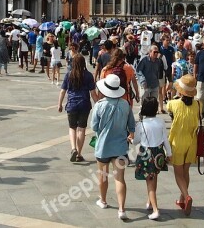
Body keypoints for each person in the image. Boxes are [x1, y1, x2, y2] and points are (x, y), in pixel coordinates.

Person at [91, 74, 136, 221]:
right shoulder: (125, 104)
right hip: (121, 147)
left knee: (103, 176)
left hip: (103, 146)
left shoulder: (99, 105)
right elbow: (131, 126)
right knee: (120, 178)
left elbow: (94, 126)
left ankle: (103, 200)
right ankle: (122, 209)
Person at [132, 96, 171, 221]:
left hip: (146, 154)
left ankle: (155, 209)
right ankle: (149, 202)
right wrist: (169, 153)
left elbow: (136, 141)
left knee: (149, 182)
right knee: (154, 178)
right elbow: (165, 139)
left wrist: (131, 139)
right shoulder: (160, 122)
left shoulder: (141, 124)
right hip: (158, 153)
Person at [167, 74, 200, 217]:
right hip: (192, 141)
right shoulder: (198, 104)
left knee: (178, 173)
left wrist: (175, 96)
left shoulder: (173, 104)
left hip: (177, 142)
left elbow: (169, 108)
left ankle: (186, 196)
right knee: (186, 172)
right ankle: (181, 199)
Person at [58, 54, 96, 163]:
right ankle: (79, 153)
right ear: (84, 63)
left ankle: (73, 148)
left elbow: (63, 91)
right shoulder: (88, 75)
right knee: (81, 128)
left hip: (72, 104)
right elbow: (93, 93)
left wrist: (59, 104)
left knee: (72, 127)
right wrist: (98, 103)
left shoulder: (69, 74)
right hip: (84, 104)